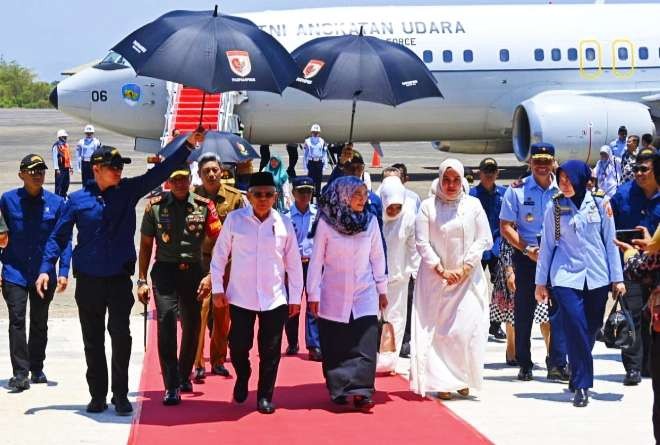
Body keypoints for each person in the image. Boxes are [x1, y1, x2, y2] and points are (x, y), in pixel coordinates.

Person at [36, 130, 204, 416]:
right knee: (93, 339)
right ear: (97, 169)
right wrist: (45, 269)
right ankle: (98, 394)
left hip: (117, 279)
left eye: (121, 167)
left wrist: (188, 146)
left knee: (121, 337)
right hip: (88, 281)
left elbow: (160, 171)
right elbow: (58, 237)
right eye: (114, 167)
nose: (119, 171)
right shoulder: (76, 201)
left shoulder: (127, 191)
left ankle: (121, 394)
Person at [210, 172, 303, 415]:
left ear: (275, 196)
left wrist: (295, 297)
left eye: (268, 194)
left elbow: (293, 263)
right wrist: (218, 289)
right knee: (238, 345)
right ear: (249, 196)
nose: (263, 199)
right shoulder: (234, 220)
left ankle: (264, 395)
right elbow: (219, 256)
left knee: (270, 350)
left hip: (274, 298)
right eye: (258, 194)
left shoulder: (283, 223)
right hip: (241, 296)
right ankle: (243, 375)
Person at [535, 160, 625, 407]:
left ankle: (576, 372)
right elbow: (547, 247)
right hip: (565, 275)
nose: (563, 184)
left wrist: (617, 278)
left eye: (568, 179)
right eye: (560, 179)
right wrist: (540, 282)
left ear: (580, 179)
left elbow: (610, 242)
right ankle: (583, 385)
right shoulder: (555, 207)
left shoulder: (600, 202)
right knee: (574, 324)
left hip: (597, 276)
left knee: (591, 326)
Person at [137, 165, 221, 405]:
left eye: (184, 180)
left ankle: (184, 375)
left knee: (193, 326)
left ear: (190, 180)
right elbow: (145, 246)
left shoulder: (205, 207)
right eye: (176, 181)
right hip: (165, 272)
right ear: (169, 183)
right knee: (165, 322)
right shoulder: (155, 207)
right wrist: (141, 279)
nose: (181, 184)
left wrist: (211, 275)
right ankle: (171, 384)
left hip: (194, 272)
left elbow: (220, 241)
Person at [410, 159, 493, 400]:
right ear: (439, 180)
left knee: (466, 329)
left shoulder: (473, 205)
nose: (451, 185)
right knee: (440, 332)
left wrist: (466, 268)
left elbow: (483, 238)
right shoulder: (428, 207)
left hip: (468, 280)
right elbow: (421, 242)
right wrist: (441, 269)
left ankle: (463, 378)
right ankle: (442, 381)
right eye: (446, 180)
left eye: (456, 179)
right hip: (436, 280)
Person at [306, 176, 387, 409]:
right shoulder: (325, 223)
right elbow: (316, 260)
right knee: (337, 344)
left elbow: (377, 257)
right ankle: (339, 388)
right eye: (356, 195)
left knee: (366, 342)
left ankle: (362, 390)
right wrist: (313, 294)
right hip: (333, 292)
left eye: (364, 194)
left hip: (365, 293)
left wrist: (382, 289)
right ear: (343, 196)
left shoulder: (370, 222)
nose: (363, 199)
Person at [0, 155, 71, 392]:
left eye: (41, 169)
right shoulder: (7, 201)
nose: (38, 174)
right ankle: (20, 373)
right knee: (17, 320)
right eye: (32, 171)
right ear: (21, 175)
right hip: (14, 271)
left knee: (39, 321)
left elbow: (64, 240)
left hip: (44, 273)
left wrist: (63, 270)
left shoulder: (57, 203)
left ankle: (36, 367)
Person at [499, 142, 569, 382]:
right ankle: (525, 362)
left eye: (546, 161)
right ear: (529, 163)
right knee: (524, 311)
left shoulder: (563, 190)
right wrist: (526, 248)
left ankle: (558, 362)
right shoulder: (517, 190)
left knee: (560, 309)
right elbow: (505, 226)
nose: (541, 166)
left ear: (553, 163)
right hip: (527, 256)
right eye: (537, 161)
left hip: (557, 257)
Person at [192, 154, 245, 381]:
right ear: (200, 175)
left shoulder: (234, 199)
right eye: (206, 171)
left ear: (222, 171)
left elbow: (244, 228)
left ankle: (218, 360)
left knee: (223, 315)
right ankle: (197, 362)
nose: (211, 174)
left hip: (228, 265)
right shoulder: (192, 199)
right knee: (200, 313)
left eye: (215, 170)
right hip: (202, 262)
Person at [610, 149, 660, 385]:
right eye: (636, 169)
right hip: (631, 265)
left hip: (657, 266)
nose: (638, 174)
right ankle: (632, 367)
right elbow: (608, 228)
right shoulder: (622, 195)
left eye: (644, 169)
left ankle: (650, 363)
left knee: (654, 315)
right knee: (632, 315)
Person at [376, 179, 418, 374]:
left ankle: (390, 361)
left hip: (399, 279)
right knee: (374, 321)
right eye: (389, 206)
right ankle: (373, 359)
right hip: (374, 280)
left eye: (397, 206)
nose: (393, 211)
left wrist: (415, 273)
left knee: (396, 320)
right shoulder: (374, 216)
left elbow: (413, 248)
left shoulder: (408, 218)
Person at [284, 176, 322, 361]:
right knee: (292, 304)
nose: (305, 195)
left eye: (308, 191)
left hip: (314, 263)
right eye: (301, 191)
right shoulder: (286, 217)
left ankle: (314, 345)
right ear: (293, 193)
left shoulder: (319, 214)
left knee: (314, 303)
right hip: (294, 265)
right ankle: (292, 341)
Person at [470, 157, 508, 340]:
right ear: (480, 173)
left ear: (497, 173)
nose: (489, 175)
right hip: (477, 246)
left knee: (500, 287)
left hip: (497, 246)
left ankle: (495, 323)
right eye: (486, 171)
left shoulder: (503, 193)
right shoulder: (471, 195)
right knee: (473, 286)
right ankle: (473, 321)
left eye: (492, 171)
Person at [303, 124, 327, 197]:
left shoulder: (322, 141)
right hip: (311, 162)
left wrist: (325, 164)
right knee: (310, 180)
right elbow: (305, 154)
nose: (315, 134)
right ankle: (310, 198)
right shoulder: (307, 141)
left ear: (319, 133)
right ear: (311, 132)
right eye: (314, 132)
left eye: (317, 132)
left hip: (319, 162)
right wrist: (305, 165)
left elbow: (324, 153)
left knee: (319, 180)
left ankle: (318, 197)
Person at [51, 129, 72, 197]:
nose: (65, 138)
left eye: (66, 137)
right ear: (60, 137)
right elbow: (55, 158)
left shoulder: (66, 145)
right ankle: (57, 197)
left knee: (66, 183)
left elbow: (68, 156)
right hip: (60, 167)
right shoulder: (56, 146)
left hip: (66, 167)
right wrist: (56, 168)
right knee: (59, 184)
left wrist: (70, 166)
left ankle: (63, 195)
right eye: (64, 137)